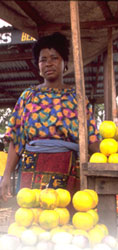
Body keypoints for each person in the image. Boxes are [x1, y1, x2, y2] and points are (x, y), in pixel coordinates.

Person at [0, 32, 99, 202]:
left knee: (63, 222)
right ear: (38, 65)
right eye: (43, 60)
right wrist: (6, 175)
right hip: (32, 169)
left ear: (64, 62)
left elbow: (91, 139)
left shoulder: (77, 98)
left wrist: (114, 157)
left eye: (54, 58)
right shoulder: (28, 96)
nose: (48, 63)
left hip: (69, 169)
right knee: (31, 221)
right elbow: (16, 140)